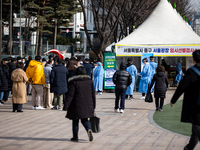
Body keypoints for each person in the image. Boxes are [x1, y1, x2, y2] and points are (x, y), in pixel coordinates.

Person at [170, 50, 200, 150]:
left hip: (195, 104)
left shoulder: (191, 72)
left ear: (193, 59)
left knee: (196, 125)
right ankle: (189, 148)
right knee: (195, 128)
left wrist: (173, 100)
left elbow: (181, 87)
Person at [64, 66, 95, 142]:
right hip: (88, 104)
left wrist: (66, 105)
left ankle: (75, 137)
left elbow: (70, 95)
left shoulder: (74, 82)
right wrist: (93, 105)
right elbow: (93, 94)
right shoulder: (90, 81)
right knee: (85, 119)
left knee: (75, 121)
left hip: (76, 104)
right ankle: (89, 129)